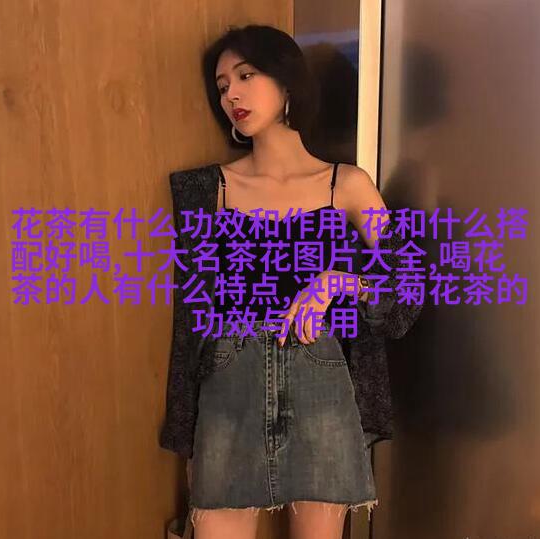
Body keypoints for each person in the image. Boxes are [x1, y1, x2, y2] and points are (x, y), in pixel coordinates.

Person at [184, 24, 394, 539]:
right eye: (222, 85)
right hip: (230, 383)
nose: (231, 95)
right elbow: (189, 315)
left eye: (246, 76)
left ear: (287, 83)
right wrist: (185, 425)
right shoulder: (208, 189)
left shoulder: (348, 185)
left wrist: (340, 283)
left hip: (320, 380)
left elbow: (407, 282)